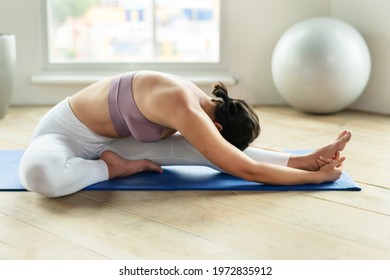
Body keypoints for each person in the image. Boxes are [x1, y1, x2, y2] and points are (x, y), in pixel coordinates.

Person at [19, 70, 351, 198]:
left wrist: (310, 165)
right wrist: (315, 181)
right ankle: (111, 168)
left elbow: (231, 157)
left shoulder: (202, 104)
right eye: (218, 138)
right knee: (39, 177)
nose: (213, 140)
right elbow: (244, 169)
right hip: (65, 133)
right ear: (217, 127)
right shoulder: (184, 107)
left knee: (205, 152)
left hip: (116, 143)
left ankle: (303, 159)